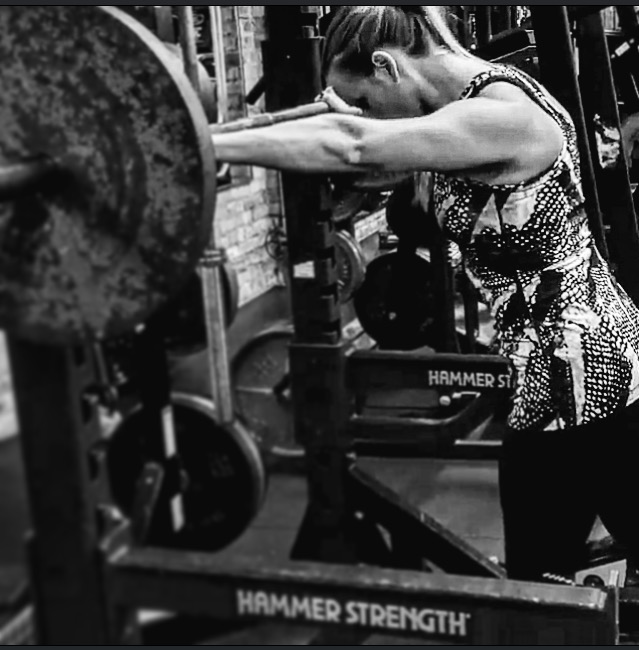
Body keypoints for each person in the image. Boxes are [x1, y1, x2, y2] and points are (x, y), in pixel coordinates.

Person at [212, 5, 639, 583]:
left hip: (582, 370)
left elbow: (355, 146)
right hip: (552, 372)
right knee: (542, 581)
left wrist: (207, 147)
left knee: (540, 592)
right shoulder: (468, 109)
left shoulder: (503, 117)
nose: (366, 116)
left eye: (362, 101)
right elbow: (370, 162)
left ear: (386, 66)